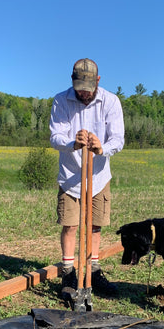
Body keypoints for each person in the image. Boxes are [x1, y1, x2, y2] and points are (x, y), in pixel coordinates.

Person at [49, 58, 125, 295]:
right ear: (72, 82)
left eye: (88, 90)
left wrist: (101, 148)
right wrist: (73, 143)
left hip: (99, 175)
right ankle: (68, 273)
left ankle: (93, 271)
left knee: (95, 226)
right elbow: (55, 136)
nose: (84, 95)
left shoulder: (111, 101)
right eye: (80, 90)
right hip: (71, 175)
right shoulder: (61, 100)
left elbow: (118, 139)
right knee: (70, 225)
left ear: (98, 81)